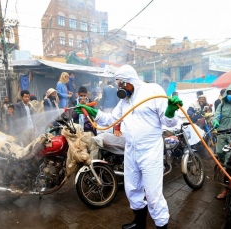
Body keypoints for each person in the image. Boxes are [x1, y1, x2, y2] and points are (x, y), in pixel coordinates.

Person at [75, 65, 183, 229]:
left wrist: (170, 112)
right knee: (132, 189)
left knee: (153, 195)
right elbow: (112, 119)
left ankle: (161, 225)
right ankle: (139, 223)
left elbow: (170, 122)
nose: (120, 88)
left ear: (130, 80)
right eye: (118, 85)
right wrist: (93, 112)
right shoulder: (124, 100)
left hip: (150, 151)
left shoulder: (153, 91)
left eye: (121, 84)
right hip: (131, 150)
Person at [211, 84, 231, 199]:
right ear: (226, 94)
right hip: (221, 131)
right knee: (219, 152)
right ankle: (223, 163)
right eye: (229, 93)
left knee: (229, 156)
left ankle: (227, 174)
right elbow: (216, 115)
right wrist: (215, 121)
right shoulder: (222, 104)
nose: (230, 95)